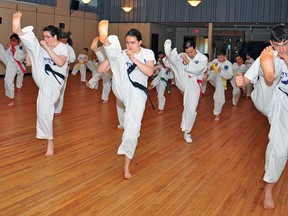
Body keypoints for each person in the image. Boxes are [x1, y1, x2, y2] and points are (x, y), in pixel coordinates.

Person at [236, 24, 288, 210]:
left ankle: (268, 185)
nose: (281, 49)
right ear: (271, 43)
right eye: (277, 44)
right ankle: (268, 73)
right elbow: (245, 80)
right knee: (270, 69)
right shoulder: (270, 54)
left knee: (280, 150)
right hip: (274, 98)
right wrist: (241, 80)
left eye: (285, 44)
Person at [97, 20, 155, 179]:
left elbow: (150, 72)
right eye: (128, 43)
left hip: (137, 93)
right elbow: (101, 70)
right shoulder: (122, 53)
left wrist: (134, 59)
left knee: (132, 129)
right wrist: (110, 58)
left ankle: (126, 167)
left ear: (140, 42)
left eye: (133, 43)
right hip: (121, 87)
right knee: (117, 57)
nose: (130, 46)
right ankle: (107, 42)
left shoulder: (147, 53)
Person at [12, 11, 69, 156]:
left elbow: (60, 62)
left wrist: (46, 48)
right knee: (34, 47)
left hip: (54, 82)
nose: (46, 39)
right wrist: (30, 50)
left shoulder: (63, 48)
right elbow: (31, 63)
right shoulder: (44, 47)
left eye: (48, 37)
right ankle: (20, 32)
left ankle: (50, 141)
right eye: (44, 37)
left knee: (43, 109)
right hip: (41, 76)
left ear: (55, 36)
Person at [164, 39, 208, 143]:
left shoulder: (203, 58)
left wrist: (187, 60)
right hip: (182, 79)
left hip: (194, 83)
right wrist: (171, 60)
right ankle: (169, 53)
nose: (189, 54)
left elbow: (196, 69)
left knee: (191, 109)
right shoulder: (183, 55)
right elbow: (169, 65)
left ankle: (187, 132)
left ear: (196, 48)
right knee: (176, 61)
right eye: (187, 52)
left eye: (191, 52)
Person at [0, 33, 26, 106]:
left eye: (13, 40)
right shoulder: (11, 46)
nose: (12, 41)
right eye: (11, 40)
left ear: (18, 40)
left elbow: (20, 57)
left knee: (17, 76)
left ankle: (15, 92)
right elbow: (5, 53)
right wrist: (6, 47)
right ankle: (12, 97)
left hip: (17, 64)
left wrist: (14, 48)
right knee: (0, 47)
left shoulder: (21, 47)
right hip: (9, 61)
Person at [54, 31, 76, 116]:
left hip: (63, 70)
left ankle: (57, 110)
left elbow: (72, 59)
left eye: (65, 37)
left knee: (61, 89)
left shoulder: (68, 48)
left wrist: (64, 58)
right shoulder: (55, 45)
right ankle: (51, 107)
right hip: (52, 69)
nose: (64, 39)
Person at [208, 48, 233, 121]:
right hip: (213, 77)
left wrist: (221, 71)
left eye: (221, 57)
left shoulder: (228, 64)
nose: (219, 59)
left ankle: (217, 114)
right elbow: (209, 66)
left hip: (221, 80)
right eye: (218, 57)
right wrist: (211, 68)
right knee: (208, 72)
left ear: (225, 56)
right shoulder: (215, 61)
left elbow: (230, 75)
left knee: (219, 97)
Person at [87, 37, 112, 103]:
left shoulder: (110, 47)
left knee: (105, 83)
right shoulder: (101, 48)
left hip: (110, 67)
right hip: (103, 67)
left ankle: (91, 83)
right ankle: (91, 84)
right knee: (99, 75)